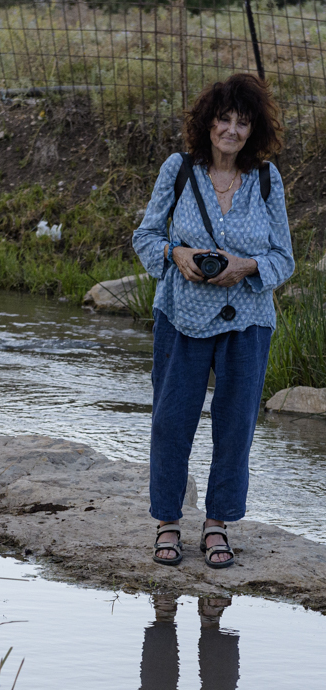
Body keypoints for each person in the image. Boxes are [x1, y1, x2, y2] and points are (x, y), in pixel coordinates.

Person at [133, 74, 294, 568]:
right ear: (207, 123)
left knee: (236, 427)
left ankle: (217, 525)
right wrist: (176, 253)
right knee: (171, 422)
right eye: (223, 119)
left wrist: (244, 267)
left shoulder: (267, 180)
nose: (231, 130)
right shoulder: (178, 171)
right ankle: (167, 523)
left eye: (242, 122)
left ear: (254, 129)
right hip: (180, 315)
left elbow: (283, 260)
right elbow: (144, 237)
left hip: (248, 320)